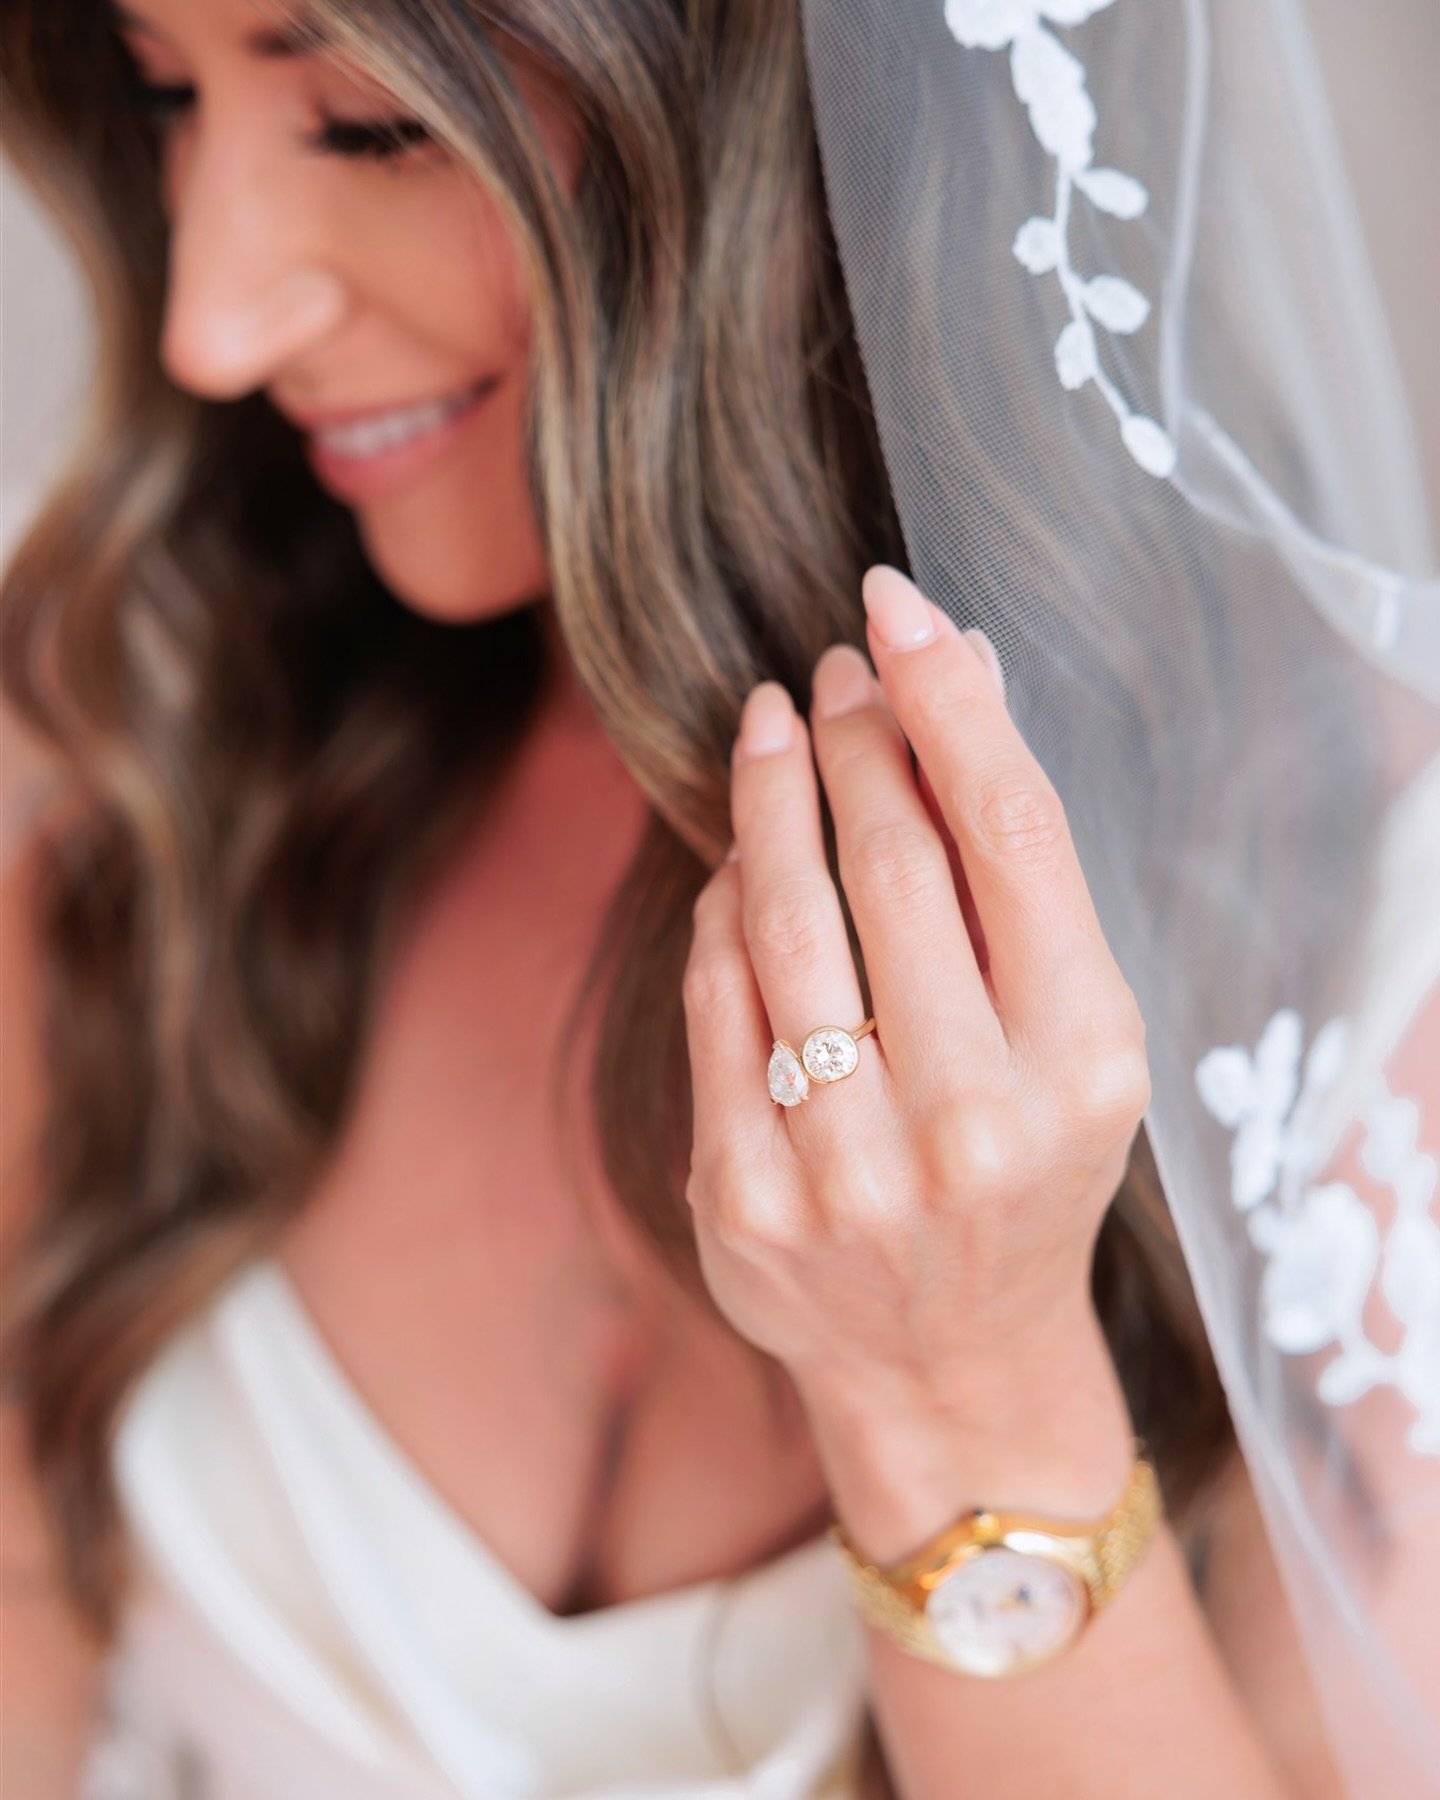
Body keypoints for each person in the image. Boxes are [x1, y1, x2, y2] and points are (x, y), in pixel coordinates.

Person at [0, 1, 1429, 1795]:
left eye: (367, 122)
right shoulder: (168, 759)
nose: (210, 319)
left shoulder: (1382, 939)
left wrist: (963, 1393)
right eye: (163, 97)